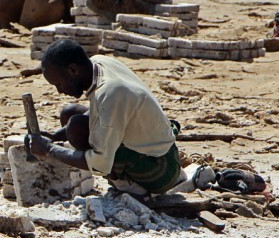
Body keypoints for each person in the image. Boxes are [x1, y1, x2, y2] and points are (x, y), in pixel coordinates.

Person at [28, 39, 185, 195]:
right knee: (70, 113)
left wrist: (49, 149)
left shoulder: (111, 92)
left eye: (59, 84)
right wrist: (55, 136)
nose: (59, 91)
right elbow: (100, 112)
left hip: (160, 170)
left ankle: (129, 186)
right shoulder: (99, 63)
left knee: (76, 129)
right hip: (161, 151)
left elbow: (100, 163)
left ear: (73, 70)